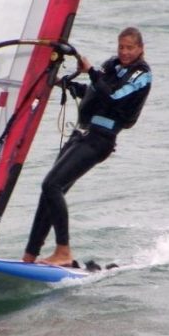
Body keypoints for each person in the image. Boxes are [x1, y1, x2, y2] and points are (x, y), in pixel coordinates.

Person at [22, 27, 152, 266]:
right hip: (81, 134)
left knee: (52, 185)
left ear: (140, 49)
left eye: (130, 48)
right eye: (121, 47)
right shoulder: (113, 66)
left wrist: (91, 71)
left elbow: (113, 96)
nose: (124, 52)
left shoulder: (141, 74)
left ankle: (63, 251)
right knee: (50, 191)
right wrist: (61, 83)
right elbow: (94, 92)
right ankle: (29, 256)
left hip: (100, 139)